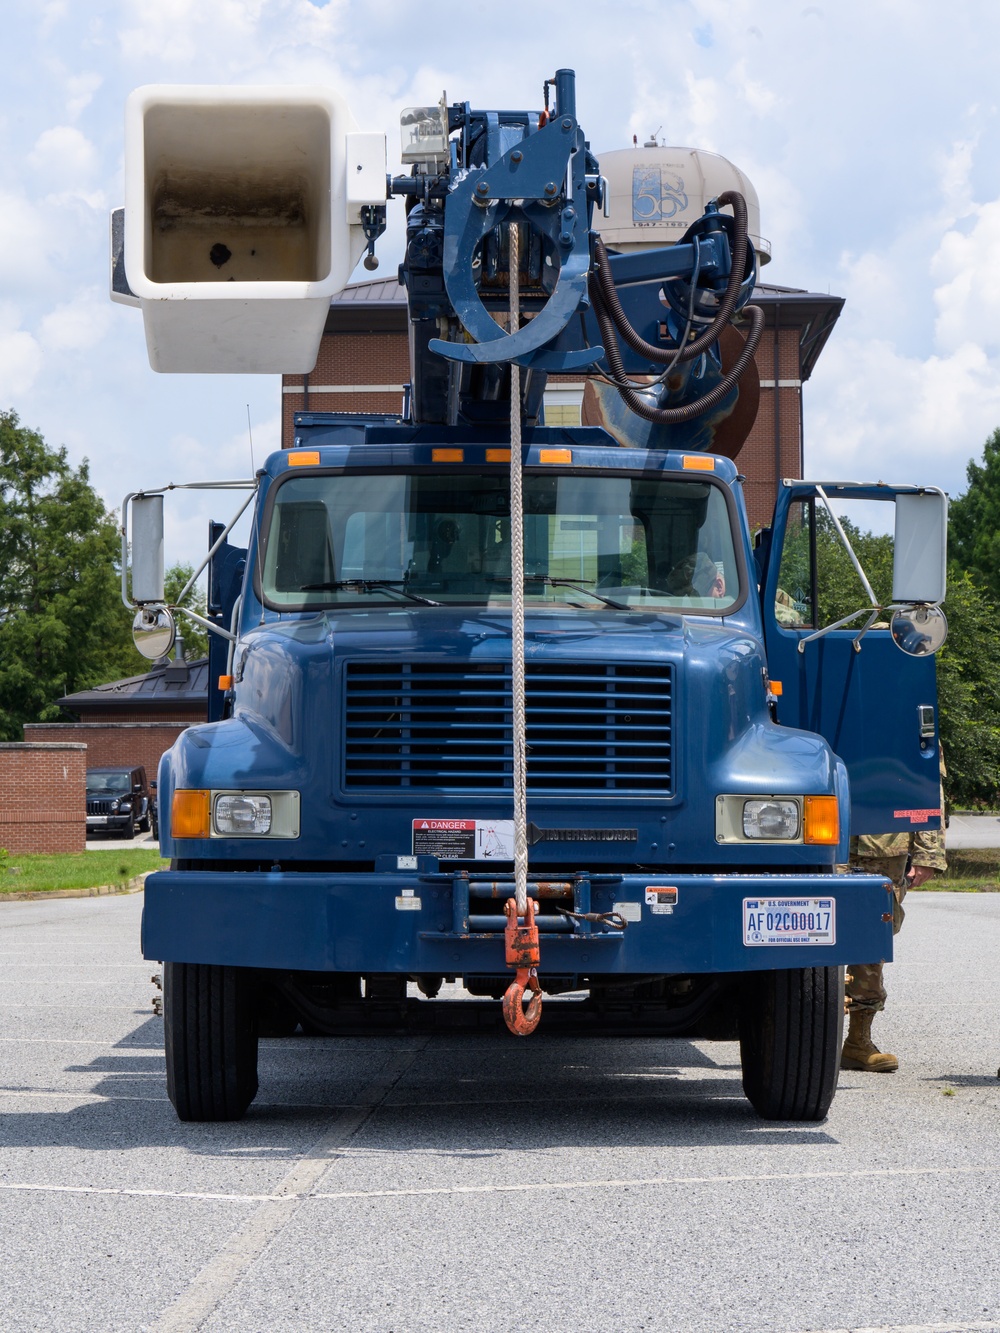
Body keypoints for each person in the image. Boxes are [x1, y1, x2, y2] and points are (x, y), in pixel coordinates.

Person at [841, 758, 947, 1072]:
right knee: (807, 932)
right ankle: (796, 1038)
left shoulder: (903, 710)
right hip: (822, 833)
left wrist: (928, 853)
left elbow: (926, 781)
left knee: (872, 939)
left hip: (885, 842)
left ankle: (858, 1041)